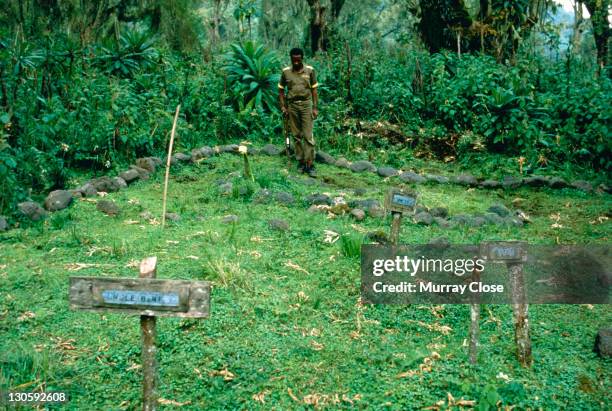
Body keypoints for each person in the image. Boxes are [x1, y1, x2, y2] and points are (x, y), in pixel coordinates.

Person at [278, 48, 319, 177]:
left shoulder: (310, 71)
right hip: (292, 106)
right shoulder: (285, 72)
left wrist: (315, 108)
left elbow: (314, 91)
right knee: (296, 136)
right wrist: (283, 107)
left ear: (302, 58)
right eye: (293, 59)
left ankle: (310, 164)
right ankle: (300, 162)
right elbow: (281, 90)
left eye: (298, 59)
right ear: (291, 58)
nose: (296, 62)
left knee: (308, 135)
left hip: (306, 105)